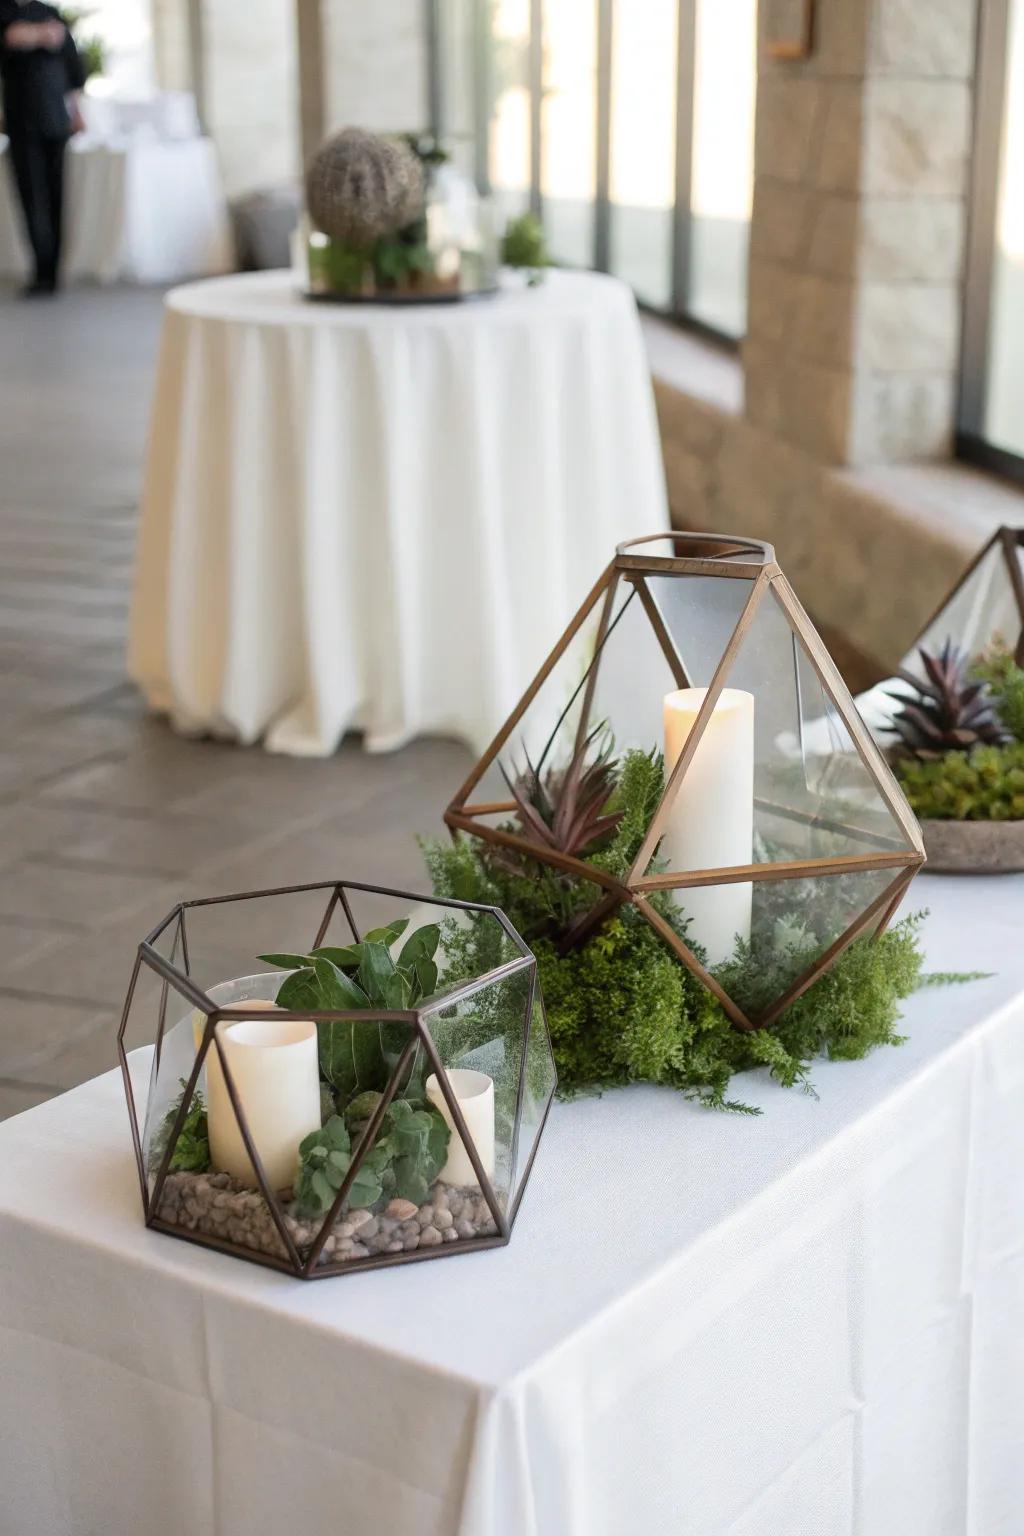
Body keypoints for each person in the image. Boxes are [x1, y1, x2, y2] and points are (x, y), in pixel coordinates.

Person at [0, 0, 85, 295]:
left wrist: (77, 112)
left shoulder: (49, 11)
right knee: (31, 196)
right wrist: (40, 36)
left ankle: (54, 271)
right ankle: (40, 269)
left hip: (54, 120)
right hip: (21, 121)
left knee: (56, 195)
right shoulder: (5, 10)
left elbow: (72, 64)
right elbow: (10, 36)